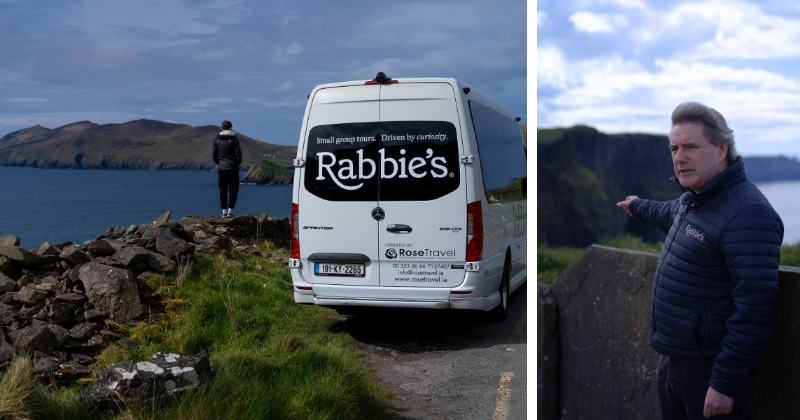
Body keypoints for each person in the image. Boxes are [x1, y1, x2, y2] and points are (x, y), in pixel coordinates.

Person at [616, 102, 783, 419]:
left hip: (709, 372)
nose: (679, 157)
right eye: (674, 148)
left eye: (690, 146)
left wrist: (724, 384)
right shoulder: (694, 200)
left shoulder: (750, 214)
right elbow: (668, 213)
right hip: (675, 361)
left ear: (722, 150)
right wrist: (637, 206)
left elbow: (755, 310)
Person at [212, 120, 242, 218]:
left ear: (222, 128)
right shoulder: (234, 139)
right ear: (231, 127)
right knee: (234, 189)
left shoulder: (217, 139)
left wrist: (219, 162)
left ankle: (224, 210)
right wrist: (237, 162)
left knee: (222, 189)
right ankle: (230, 210)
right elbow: (238, 153)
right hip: (233, 168)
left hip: (222, 168)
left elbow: (214, 154)